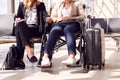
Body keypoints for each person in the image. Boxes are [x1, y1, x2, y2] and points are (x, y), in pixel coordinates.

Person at [40, 0, 85, 67]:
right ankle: (45, 57)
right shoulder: (59, 4)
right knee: (54, 30)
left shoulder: (77, 4)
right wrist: (59, 19)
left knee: (68, 30)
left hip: (73, 23)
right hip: (60, 23)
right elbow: (53, 16)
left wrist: (70, 18)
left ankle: (72, 57)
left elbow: (83, 16)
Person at [14, 0, 52, 69]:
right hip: (24, 28)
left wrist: (47, 18)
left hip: (36, 29)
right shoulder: (22, 4)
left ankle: (21, 60)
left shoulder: (40, 4)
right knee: (20, 25)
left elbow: (44, 14)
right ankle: (29, 51)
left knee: (18, 31)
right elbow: (18, 15)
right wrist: (17, 18)